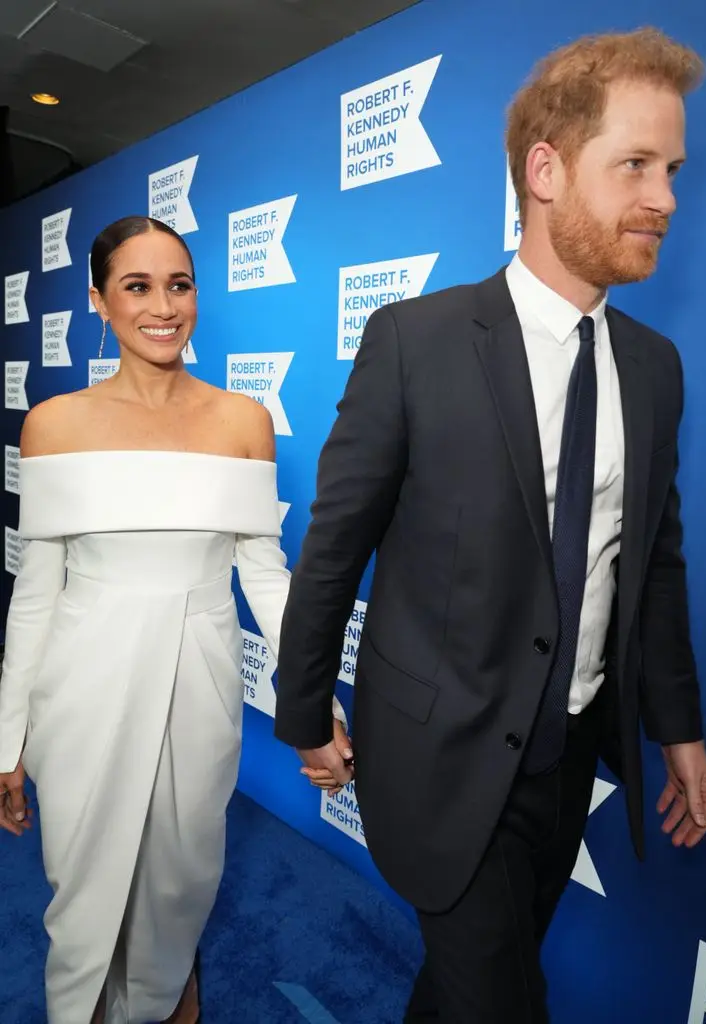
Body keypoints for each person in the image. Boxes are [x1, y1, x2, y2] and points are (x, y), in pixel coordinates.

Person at [274, 28, 706, 1023]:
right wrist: (303, 709)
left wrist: (677, 727)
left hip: (566, 759)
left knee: (482, 973)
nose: (666, 199)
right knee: (504, 1002)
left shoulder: (653, 369)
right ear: (545, 169)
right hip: (437, 754)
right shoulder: (414, 343)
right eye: (636, 165)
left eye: (674, 170)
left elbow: (651, 560)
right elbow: (335, 546)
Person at [0, 215, 350, 1024]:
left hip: (200, 678)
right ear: (98, 300)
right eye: (137, 285)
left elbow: (266, 577)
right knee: (83, 886)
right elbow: (36, 594)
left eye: (179, 284)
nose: (163, 306)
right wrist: (8, 738)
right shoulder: (53, 424)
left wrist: (313, 709)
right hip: (83, 683)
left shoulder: (241, 420)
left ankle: (164, 996)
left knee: (180, 875)